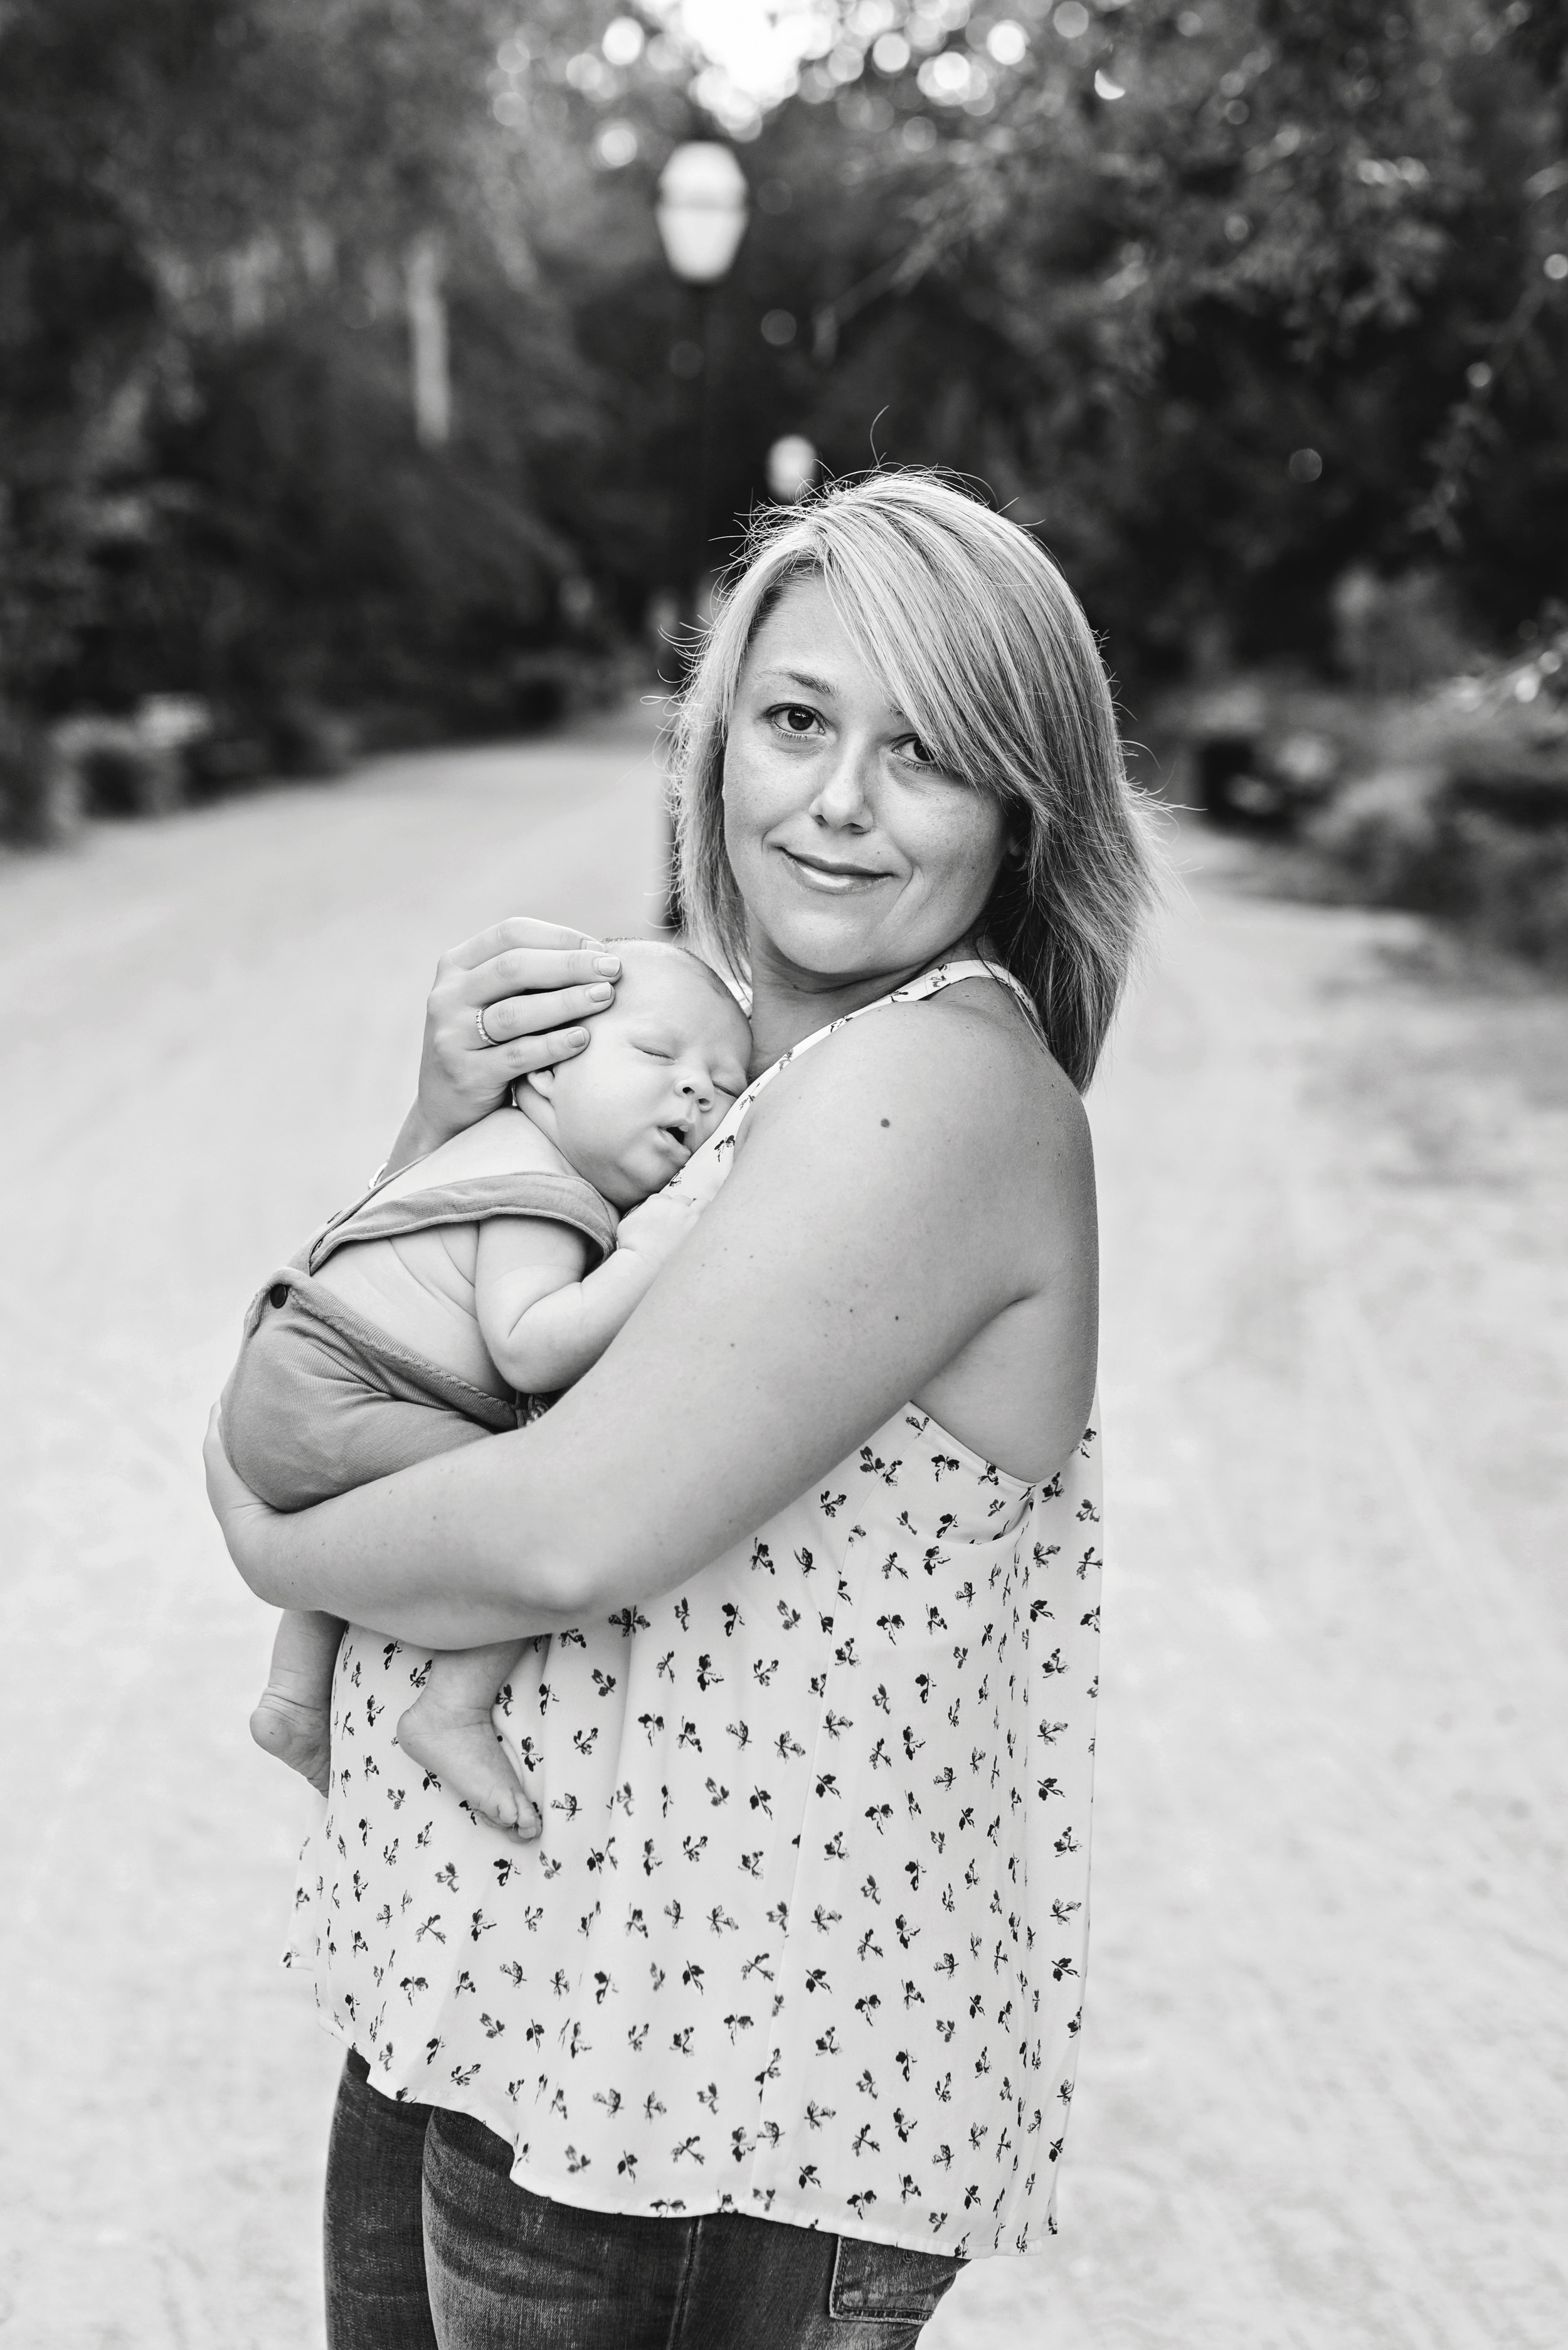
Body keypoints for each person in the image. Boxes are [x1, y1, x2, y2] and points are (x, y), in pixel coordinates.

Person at [206, 472, 1161, 2349]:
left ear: (1020, 808)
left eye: (929, 753)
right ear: (714, 740)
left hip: (708, 2107)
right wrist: (439, 1138)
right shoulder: (713, 1059)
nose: (836, 800)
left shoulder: (932, 1093)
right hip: (493, 2011)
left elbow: (565, 1528)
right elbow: (389, 1344)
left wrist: (263, 1537)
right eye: (797, 721)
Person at [228, 940, 750, 1834]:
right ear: (544, 1074)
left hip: (291, 1376)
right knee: (515, 1506)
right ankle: (452, 1707)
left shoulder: (486, 1145)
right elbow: (528, 1348)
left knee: (373, 1502)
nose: (697, 1090)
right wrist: (646, 1254)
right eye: (658, 1055)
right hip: (340, 1388)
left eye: (726, 1084)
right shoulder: (544, 1193)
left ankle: (292, 1694)